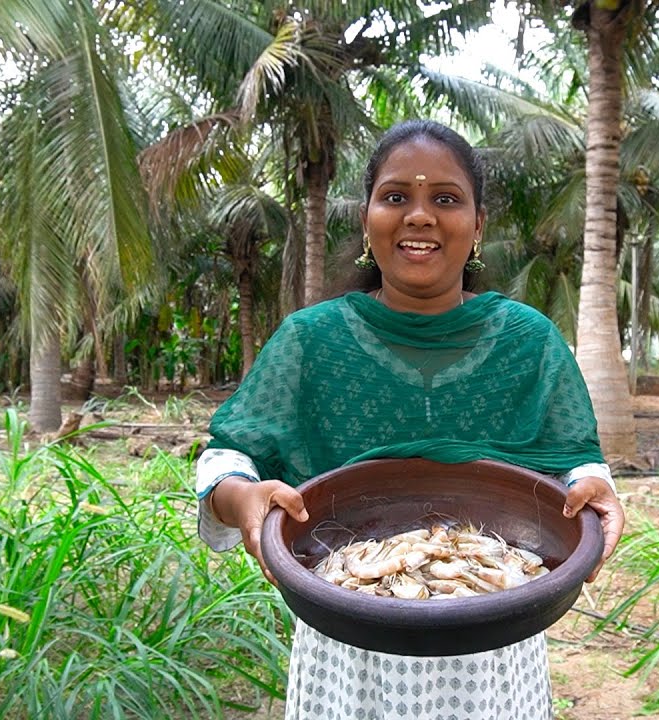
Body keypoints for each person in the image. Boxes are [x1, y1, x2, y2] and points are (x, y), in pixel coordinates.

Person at [194, 119, 625, 720]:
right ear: (367, 219)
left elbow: (575, 462)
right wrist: (241, 499)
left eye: (445, 199)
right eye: (396, 197)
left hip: (492, 635)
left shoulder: (529, 342)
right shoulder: (310, 341)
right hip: (349, 635)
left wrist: (597, 489)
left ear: (477, 227)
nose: (419, 215)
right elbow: (226, 459)